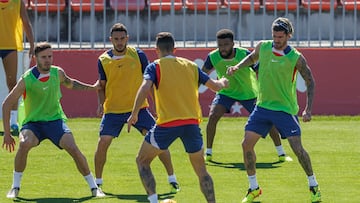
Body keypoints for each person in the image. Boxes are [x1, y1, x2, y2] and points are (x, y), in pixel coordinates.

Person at [227, 17, 321, 203]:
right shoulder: (263, 46)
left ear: (289, 35)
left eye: (280, 37)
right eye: (274, 36)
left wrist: (308, 109)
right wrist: (238, 67)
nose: (277, 40)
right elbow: (252, 57)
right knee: (246, 144)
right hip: (262, 107)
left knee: (297, 149)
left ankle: (313, 185)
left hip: (285, 110)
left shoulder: (296, 57)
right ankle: (253, 188)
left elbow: (310, 82)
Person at [127, 32, 229, 203]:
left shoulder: (154, 66)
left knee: (142, 160)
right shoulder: (191, 66)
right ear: (175, 49)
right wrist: (224, 81)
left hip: (167, 124)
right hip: (191, 123)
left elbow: (145, 88)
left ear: (156, 49)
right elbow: (216, 87)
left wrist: (134, 113)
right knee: (201, 170)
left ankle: (153, 200)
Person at [1, 42, 105, 198]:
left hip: (55, 121)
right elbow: (7, 104)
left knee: (73, 148)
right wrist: (8, 134)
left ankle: (94, 187)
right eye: (44, 57)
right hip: (33, 124)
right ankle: (15, 187)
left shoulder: (58, 73)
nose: (48, 60)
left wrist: (92, 87)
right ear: (35, 58)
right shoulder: (27, 79)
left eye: (50, 56)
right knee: (24, 144)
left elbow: (71, 84)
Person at [94, 23, 180, 193]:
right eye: (116, 39)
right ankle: (97, 183)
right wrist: (100, 104)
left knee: (158, 142)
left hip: (139, 109)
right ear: (110, 40)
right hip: (113, 110)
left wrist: (158, 105)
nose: (119, 42)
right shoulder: (103, 60)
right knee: (103, 142)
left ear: (127, 38)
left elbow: (150, 81)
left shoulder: (138, 55)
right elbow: (101, 85)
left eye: (122, 38)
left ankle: (172, 179)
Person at [202, 29, 292, 163]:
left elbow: (260, 71)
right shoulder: (212, 56)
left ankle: (281, 153)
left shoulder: (244, 54)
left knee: (268, 120)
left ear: (233, 43)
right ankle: (208, 153)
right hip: (225, 92)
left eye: (226, 45)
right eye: (220, 45)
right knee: (213, 116)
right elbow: (202, 75)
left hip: (248, 93)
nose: (223, 48)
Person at [0, 0, 35, 134]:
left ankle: (13, 123)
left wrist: (32, 44)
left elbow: (26, 22)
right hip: (9, 47)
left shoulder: (17, 2)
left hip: (10, 46)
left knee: (13, 83)